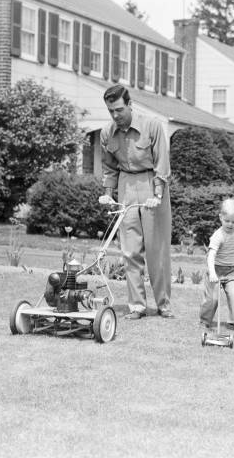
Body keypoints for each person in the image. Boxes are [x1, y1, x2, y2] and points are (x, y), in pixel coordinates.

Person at [97, 84, 173, 319]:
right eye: (111, 111)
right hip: (126, 185)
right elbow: (109, 168)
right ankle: (137, 306)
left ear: (130, 105)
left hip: (151, 183)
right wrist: (109, 194)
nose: (115, 115)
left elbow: (162, 164)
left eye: (119, 109)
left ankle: (163, 304)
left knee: (156, 250)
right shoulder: (107, 133)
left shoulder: (152, 126)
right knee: (130, 250)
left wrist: (158, 194)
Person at [199, 199, 234, 331]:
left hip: (231, 271)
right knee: (212, 300)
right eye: (227, 221)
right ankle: (204, 321)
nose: (230, 224)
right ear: (221, 218)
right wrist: (212, 273)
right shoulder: (218, 235)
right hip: (216, 271)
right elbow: (211, 255)